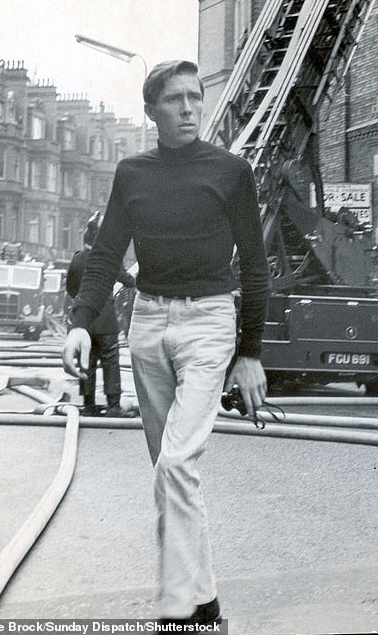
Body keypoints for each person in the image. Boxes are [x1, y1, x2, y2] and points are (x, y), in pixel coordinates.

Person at [61, 59, 270, 626]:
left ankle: (175, 611)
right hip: (148, 325)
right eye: (174, 100)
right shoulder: (132, 173)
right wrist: (81, 322)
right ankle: (204, 602)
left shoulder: (231, 172)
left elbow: (255, 265)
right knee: (170, 473)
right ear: (152, 111)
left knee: (176, 465)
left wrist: (249, 352)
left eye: (195, 98)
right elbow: (105, 255)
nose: (187, 109)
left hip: (208, 323)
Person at [65, 211, 137, 417]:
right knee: (110, 361)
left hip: (85, 321)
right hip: (105, 320)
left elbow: (70, 288)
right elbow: (128, 281)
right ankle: (113, 405)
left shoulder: (78, 259)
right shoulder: (108, 259)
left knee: (87, 361)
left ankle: (88, 406)